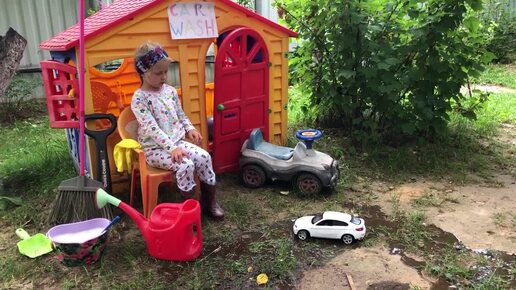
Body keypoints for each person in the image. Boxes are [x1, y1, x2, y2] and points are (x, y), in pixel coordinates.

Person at [131, 41, 224, 219]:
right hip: (155, 149)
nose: (164, 76)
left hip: (178, 142)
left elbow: (180, 115)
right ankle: (190, 208)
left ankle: (209, 202)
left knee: (204, 157)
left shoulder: (170, 91)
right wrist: (172, 148)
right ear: (144, 72)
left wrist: (189, 129)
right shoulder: (139, 99)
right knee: (186, 165)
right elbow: (152, 129)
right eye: (159, 73)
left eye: (166, 71)